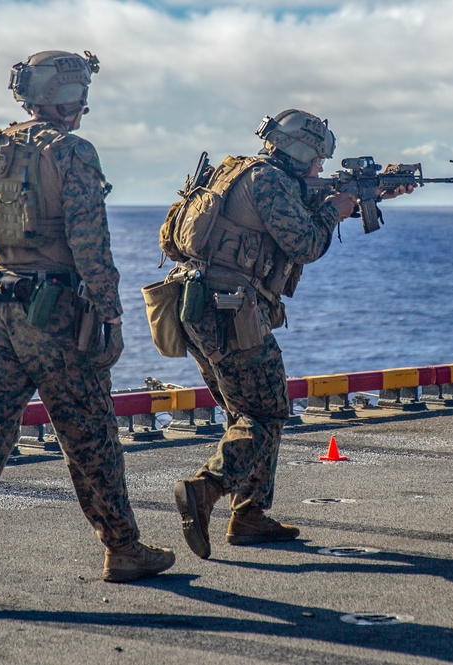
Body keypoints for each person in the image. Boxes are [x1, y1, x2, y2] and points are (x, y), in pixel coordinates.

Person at [0, 50, 174, 604]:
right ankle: (123, 548)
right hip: (53, 314)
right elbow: (89, 244)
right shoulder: (72, 151)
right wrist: (110, 312)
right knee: (90, 434)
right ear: (69, 99)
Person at [172, 110, 411, 558]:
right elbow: (305, 243)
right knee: (266, 414)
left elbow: (290, 209)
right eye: (319, 158)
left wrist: (369, 196)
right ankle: (205, 489)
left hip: (202, 304)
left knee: (245, 412)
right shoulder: (270, 183)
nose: (322, 167)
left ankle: (250, 516)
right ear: (301, 151)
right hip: (230, 309)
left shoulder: (242, 172)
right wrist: (335, 212)